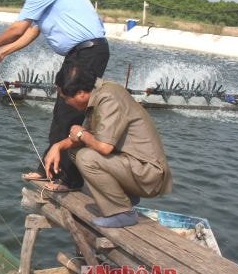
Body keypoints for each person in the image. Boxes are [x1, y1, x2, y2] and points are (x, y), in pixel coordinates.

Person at [0, 0, 109, 191]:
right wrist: (3, 53)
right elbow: (32, 32)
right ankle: (48, 170)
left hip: (88, 53)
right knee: (62, 113)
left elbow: (19, 27)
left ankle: (68, 180)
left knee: (68, 115)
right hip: (79, 55)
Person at [46, 62, 173, 228]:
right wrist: (58, 146)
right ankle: (125, 196)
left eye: (66, 99)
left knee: (86, 157)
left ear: (81, 94)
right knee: (76, 150)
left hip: (149, 175)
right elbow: (86, 137)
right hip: (134, 167)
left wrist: (80, 132)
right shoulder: (100, 93)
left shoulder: (108, 99)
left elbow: (104, 147)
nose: (66, 103)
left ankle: (122, 212)